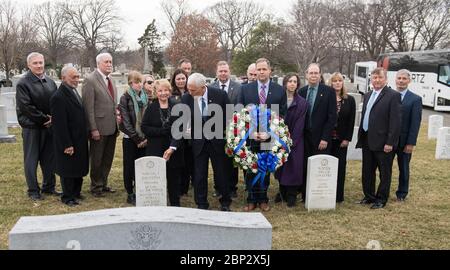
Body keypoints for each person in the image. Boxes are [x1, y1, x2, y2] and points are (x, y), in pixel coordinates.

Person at [238, 58, 287, 212]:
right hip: (250, 137)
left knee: (265, 167)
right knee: (250, 167)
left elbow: (283, 114)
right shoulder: (246, 89)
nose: (261, 72)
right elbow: (239, 112)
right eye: (258, 69)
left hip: (269, 137)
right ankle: (251, 199)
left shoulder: (279, 90)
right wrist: (251, 132)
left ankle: (263, 199)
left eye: (264, 69)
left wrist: (269, 132)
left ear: (269, 70)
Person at [181, 73, 232, 211]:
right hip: (198, 143)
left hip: (217, 141)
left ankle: (225, 202)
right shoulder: (186, 98)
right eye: (189, 89)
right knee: (199, 174)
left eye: (193, 90)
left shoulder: (220, 95)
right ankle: (201, 203)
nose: (190, 92)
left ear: (203, 87)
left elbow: (229, 116)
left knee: (221, 173)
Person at [16, 52, 61, 201]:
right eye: (35, 63)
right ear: (29, 65)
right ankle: (33, 190)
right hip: (32, 127)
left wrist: (54, 118)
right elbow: (26, 107)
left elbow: (55, 101)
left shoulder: (50, 81)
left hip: (49, 127)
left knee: (49, 159)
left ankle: (49, 187)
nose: (39, 65)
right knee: (31, 159)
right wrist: (43, 119)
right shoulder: (23, 83)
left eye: (41, 62)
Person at [356, 68, 401, 209]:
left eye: (380, 77)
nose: (377, 80)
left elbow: (396, 122)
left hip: (383, 143)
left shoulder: (393, 96)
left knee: (384, 172)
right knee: (367, 171)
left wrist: (390, 142)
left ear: (385, 79)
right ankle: (369, 196)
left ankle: (381, 199)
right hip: (367, 139)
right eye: (374, 77)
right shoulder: (368, 94)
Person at [142, 79, 184, 207]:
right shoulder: (151, 108)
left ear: (170, 91)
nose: (163, 93)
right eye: (160, 91)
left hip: (173, 147)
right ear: (156, 92)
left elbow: (180, 128)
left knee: (174, 179)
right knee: (158, 177)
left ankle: (175, 204)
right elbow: (145, 127)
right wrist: (161, 131)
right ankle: (158, 204)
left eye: (166, 90)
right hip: (156, 148)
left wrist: (172, 147)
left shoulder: (176, 106)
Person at [50, 66, 88, 207]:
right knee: (68, 169)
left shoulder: (73, 92)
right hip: (68, 140)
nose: (76, 80)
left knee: (78, 166)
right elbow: (59, 125)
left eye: (77, 77)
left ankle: (76, 192)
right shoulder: (58, 97)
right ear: (63, 78)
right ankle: (68, 196)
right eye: (73, 77)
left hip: (79, 138)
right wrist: (66, 144)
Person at [298, 63, 337, 202]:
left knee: (318, 167)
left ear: (320, 75)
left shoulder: (328, 92)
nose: (313, 75)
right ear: (306, 74)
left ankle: (317, 196)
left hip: (321, 138)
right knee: (304, 166)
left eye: (316, 73)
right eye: (311, 73)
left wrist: (325, 138)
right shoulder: (301, 92)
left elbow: (332, 117)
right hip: (304, 137)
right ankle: (304, 194)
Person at [82, 52, 118, 197]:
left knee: (107, 158)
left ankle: (103, 183)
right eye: (106, 62)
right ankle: (95, 186)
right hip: (99, 128)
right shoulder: (90, 80)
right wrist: (93, 128)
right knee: (97, 159)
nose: (109, 64)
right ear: (98, 64)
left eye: (110, 62)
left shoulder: (111, 80)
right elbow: (88, 107)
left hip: (112, 126)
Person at [209, 61, 242, 198]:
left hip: (232, 129)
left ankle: (232, 187)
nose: (223, 73)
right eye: (220, 71)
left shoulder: (238, 88)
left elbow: (239, 106)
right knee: (218, 159)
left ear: (229, 71)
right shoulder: (210, 87)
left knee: (231, 160)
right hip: (215, 129)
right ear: (216, 72)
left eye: (225, 71)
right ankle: (218, 187)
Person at [274, 73, 308, 207]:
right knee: (280, 166)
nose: (292, 84)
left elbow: (300, 124)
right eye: (290, 81)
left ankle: (292, 194)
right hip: (279, 139)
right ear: (285, 83)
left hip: (295, 140)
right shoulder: (278, 100)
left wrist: (290, 140)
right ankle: (282, 192)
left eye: (295, 81)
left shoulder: (302, 103)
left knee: (293, 167)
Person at [118, 71, 148, 205]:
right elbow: (125, 122)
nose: (139, 85)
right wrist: (137, 139)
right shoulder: (125, 98)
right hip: (130, 138)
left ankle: (141, 189)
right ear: (130, 83)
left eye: (141, 82)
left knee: (141, 166)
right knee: (129, 166)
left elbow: (147, 119)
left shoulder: (146, 97)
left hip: (144, 138)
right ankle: (130, 192)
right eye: (136, 82)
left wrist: (145, 138)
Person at [394, 69, 422, 201]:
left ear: (409, 81)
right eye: (399, 78)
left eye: (404, 78)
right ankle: (383, 191)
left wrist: (411, 143)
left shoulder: (415, 99)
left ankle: (402, 193)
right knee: (385, 168)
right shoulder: (389, 95)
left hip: (405, 141)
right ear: (395, 80)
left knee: (404, 168)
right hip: (389, 140)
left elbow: (415, 123)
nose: (401, 81)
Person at [328, 72, 356, 203]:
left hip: (341, 140)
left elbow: (351, 121)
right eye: (335, 81)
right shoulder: (327, 98)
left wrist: (347, 139)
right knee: (327, 168)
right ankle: (326, 192)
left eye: (339, 80)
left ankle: (338, 196)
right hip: (327, 140)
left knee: (340, 167)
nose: (337, 83)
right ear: (331, 83)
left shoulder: (350, 100)